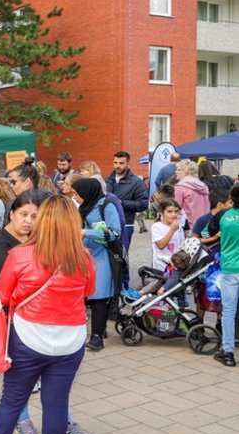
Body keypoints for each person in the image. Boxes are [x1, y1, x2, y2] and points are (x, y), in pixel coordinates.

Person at [0, 196, 95, 434]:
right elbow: (87, 292)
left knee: (13, 399)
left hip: (28, 338)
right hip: (71, 340)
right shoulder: (84, 257)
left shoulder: (20, 255)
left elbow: (3, 295)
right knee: (57, 404)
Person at [72, 178, 122, 352]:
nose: (75, 197)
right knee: (88, 296)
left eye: (76, 194)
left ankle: (96, 337)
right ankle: (97, 331)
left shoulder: (106, 206)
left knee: (98, 297)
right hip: (85, 257)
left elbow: (115, 232)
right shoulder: (83, 208)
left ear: (87, 193)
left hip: (102, 257)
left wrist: (87, 232)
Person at [106, 151, 148, 281]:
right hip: (106, 224)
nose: (118, 166)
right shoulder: (108, 180)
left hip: (126, 224)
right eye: (115, 162)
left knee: (121, 257)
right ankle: (111, 288)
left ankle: (124, 286)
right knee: (108, 257)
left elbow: (143, 204)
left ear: (127, 163)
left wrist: (122, 203)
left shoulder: (136, 182)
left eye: (121, 163)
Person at [213, 183, 239, 367]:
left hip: (230, 268)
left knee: (228, 311)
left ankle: (228, 352)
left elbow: (211, 231)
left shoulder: (224, 216)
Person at [192, 188, 232, 253]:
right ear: (220, 205)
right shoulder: (202, 220)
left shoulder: (231, 218)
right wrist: (213, 238)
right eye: (230, 202)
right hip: (210, 257)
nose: (232, 205)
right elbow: (193, 240)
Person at [174, 159, 210, 229]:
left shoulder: (180, 187)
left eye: (179, 170)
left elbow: (175, 208)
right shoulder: (203, 186)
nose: (176, 172)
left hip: (189, 225)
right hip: (205, 225)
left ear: (186, 172)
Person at [151, 199, 185, 271]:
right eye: (169, 211)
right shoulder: (156, 226)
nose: (173, 214)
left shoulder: (179, 228)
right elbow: (161, 245)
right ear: (161, 212)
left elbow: (181, 246)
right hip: (161, 266)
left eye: (176, 211)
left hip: (175, 265)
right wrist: (172, 230)